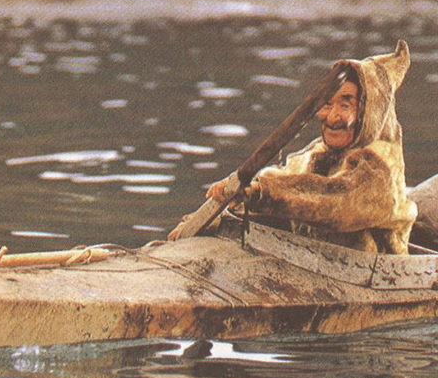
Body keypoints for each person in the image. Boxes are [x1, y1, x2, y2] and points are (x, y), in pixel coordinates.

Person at [172, 40, 416, 254]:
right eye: (327, 104)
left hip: (370, 277)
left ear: (369, 111)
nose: (332, 118)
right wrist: (220, 210)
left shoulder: (378, 171)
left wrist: (260, 193)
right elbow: (283, 180)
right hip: (308, 261)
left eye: (346, 104)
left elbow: (335, 201)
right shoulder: (318, 152)